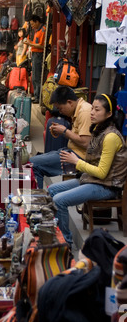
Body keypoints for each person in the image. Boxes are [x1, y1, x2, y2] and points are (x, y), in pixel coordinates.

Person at [48, 94, 127, 247]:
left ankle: (67, 243)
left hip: (106, 186)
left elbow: (102, 173)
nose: (92, 113)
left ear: (109, 114)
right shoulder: (99, 130)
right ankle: (57, 233)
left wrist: (77, 162)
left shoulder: (111, 136)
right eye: (92, 109)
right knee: (52, 189)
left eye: (97, 110)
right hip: (93, 179)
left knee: (59, 200)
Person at [29, 86, 92, 188]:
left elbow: (86, 143)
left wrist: (65, 132)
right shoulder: (77, 109)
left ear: (70, 102)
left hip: (78, 157)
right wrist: (61, 132)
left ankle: (37, 198)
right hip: (71, 151)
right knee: (33, 161)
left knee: (33, 164)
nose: (60, 112)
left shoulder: (85, 111)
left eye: (60, 108)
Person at [26, 14, 46, 103]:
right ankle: (36, 95)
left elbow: (42, 46)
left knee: (37, 77)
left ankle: (38, 97)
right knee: (34, 77)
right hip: (34, 55)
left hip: (39, 55)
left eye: (32, 24)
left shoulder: (43, 30)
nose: (32, 26)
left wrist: (30, 44)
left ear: (37, 22)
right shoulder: (36, 31)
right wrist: (30, 42)